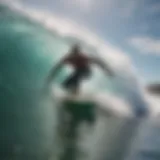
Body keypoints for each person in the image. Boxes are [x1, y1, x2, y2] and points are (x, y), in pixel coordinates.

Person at [46, 44, 114, 94]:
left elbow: (97, 61)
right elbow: (58, 67)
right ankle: (69, 95)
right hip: (78, 72)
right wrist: (50, 76)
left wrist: (107, 70)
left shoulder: (82, 57)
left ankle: (76, 93)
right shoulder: (68, 58)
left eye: (77, 53)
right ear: (72, 52)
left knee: (76, 76)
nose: (76, 55)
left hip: (87, 72)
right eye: (74, 53)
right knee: (65, 84)